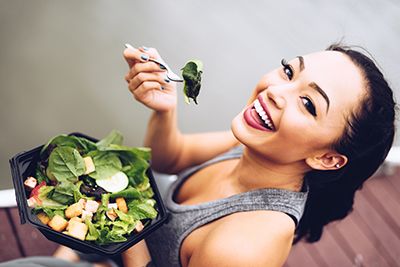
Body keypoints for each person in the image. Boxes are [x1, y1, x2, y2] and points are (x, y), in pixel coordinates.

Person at [0, 43, 395, 267]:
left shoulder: (247, 249)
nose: (276, 90)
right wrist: (164, 110)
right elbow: (171, 161)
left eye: (308, 105)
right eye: (289, 72)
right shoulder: (256, 147)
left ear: (328, 158)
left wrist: (127, 234)